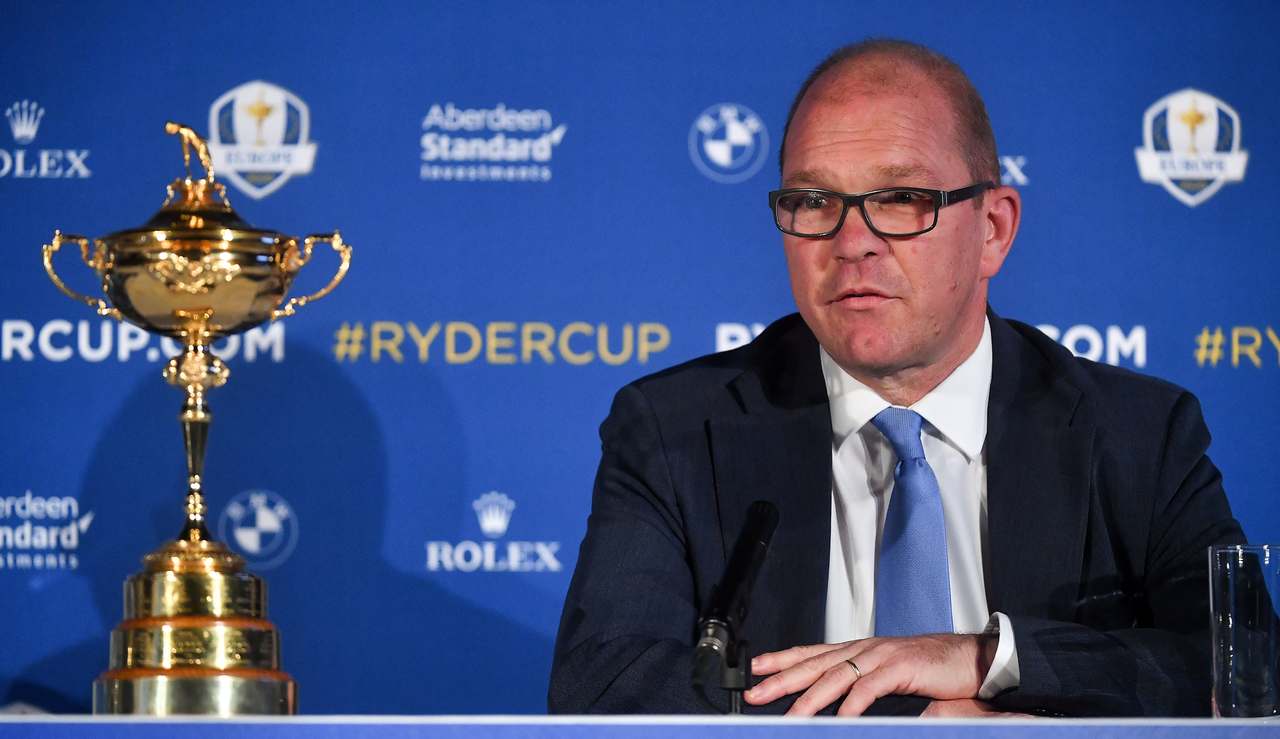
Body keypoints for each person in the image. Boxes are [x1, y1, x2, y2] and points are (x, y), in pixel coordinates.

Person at [548, 38, 1244, 717]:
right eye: (814, 202)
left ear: (994, 229)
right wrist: (912, 714)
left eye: (902, 197)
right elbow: (605, 682)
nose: (852, 243)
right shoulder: (674, 431)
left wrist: (983, 658)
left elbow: (1235, 665)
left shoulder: (1140, 437)